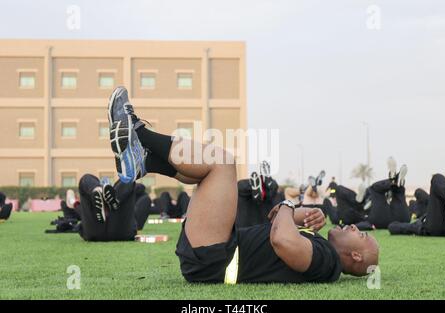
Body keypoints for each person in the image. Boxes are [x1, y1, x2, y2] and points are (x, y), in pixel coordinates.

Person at [107, 86, 379, 283]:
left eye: (361, 235)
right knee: (208, 171)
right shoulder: (321, 249)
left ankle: (138, 132)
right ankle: (144, 162)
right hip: (216, 252)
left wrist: (286, 204)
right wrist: (297, 215)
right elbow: (277, 224)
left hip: (215, 258)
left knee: (222, 163)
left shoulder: (328, 262)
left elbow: (283, 240)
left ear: (355, 256)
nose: (355, 227)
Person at [76, 174, 137, 241]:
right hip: (122, 231)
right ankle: (114, 198)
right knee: (129, 178)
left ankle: (98, 190)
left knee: (85, 178)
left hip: (94, 232)